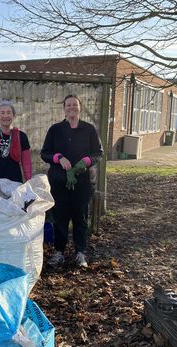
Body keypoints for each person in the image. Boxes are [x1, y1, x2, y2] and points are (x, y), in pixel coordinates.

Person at [41, 94, 103, 268]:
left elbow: (99, 153)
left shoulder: (89, 129)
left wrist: (87, 161)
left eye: (74, 105)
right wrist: (58, 157)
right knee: (60, 218)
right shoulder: (55, 130)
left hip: (82, 183)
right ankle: (59, 252)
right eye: (68, 105)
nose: (71, 108)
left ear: (79, 107)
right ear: (64, 109)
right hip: (59, 182)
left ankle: (80, 253)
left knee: (80, 218)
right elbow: (44, 153)